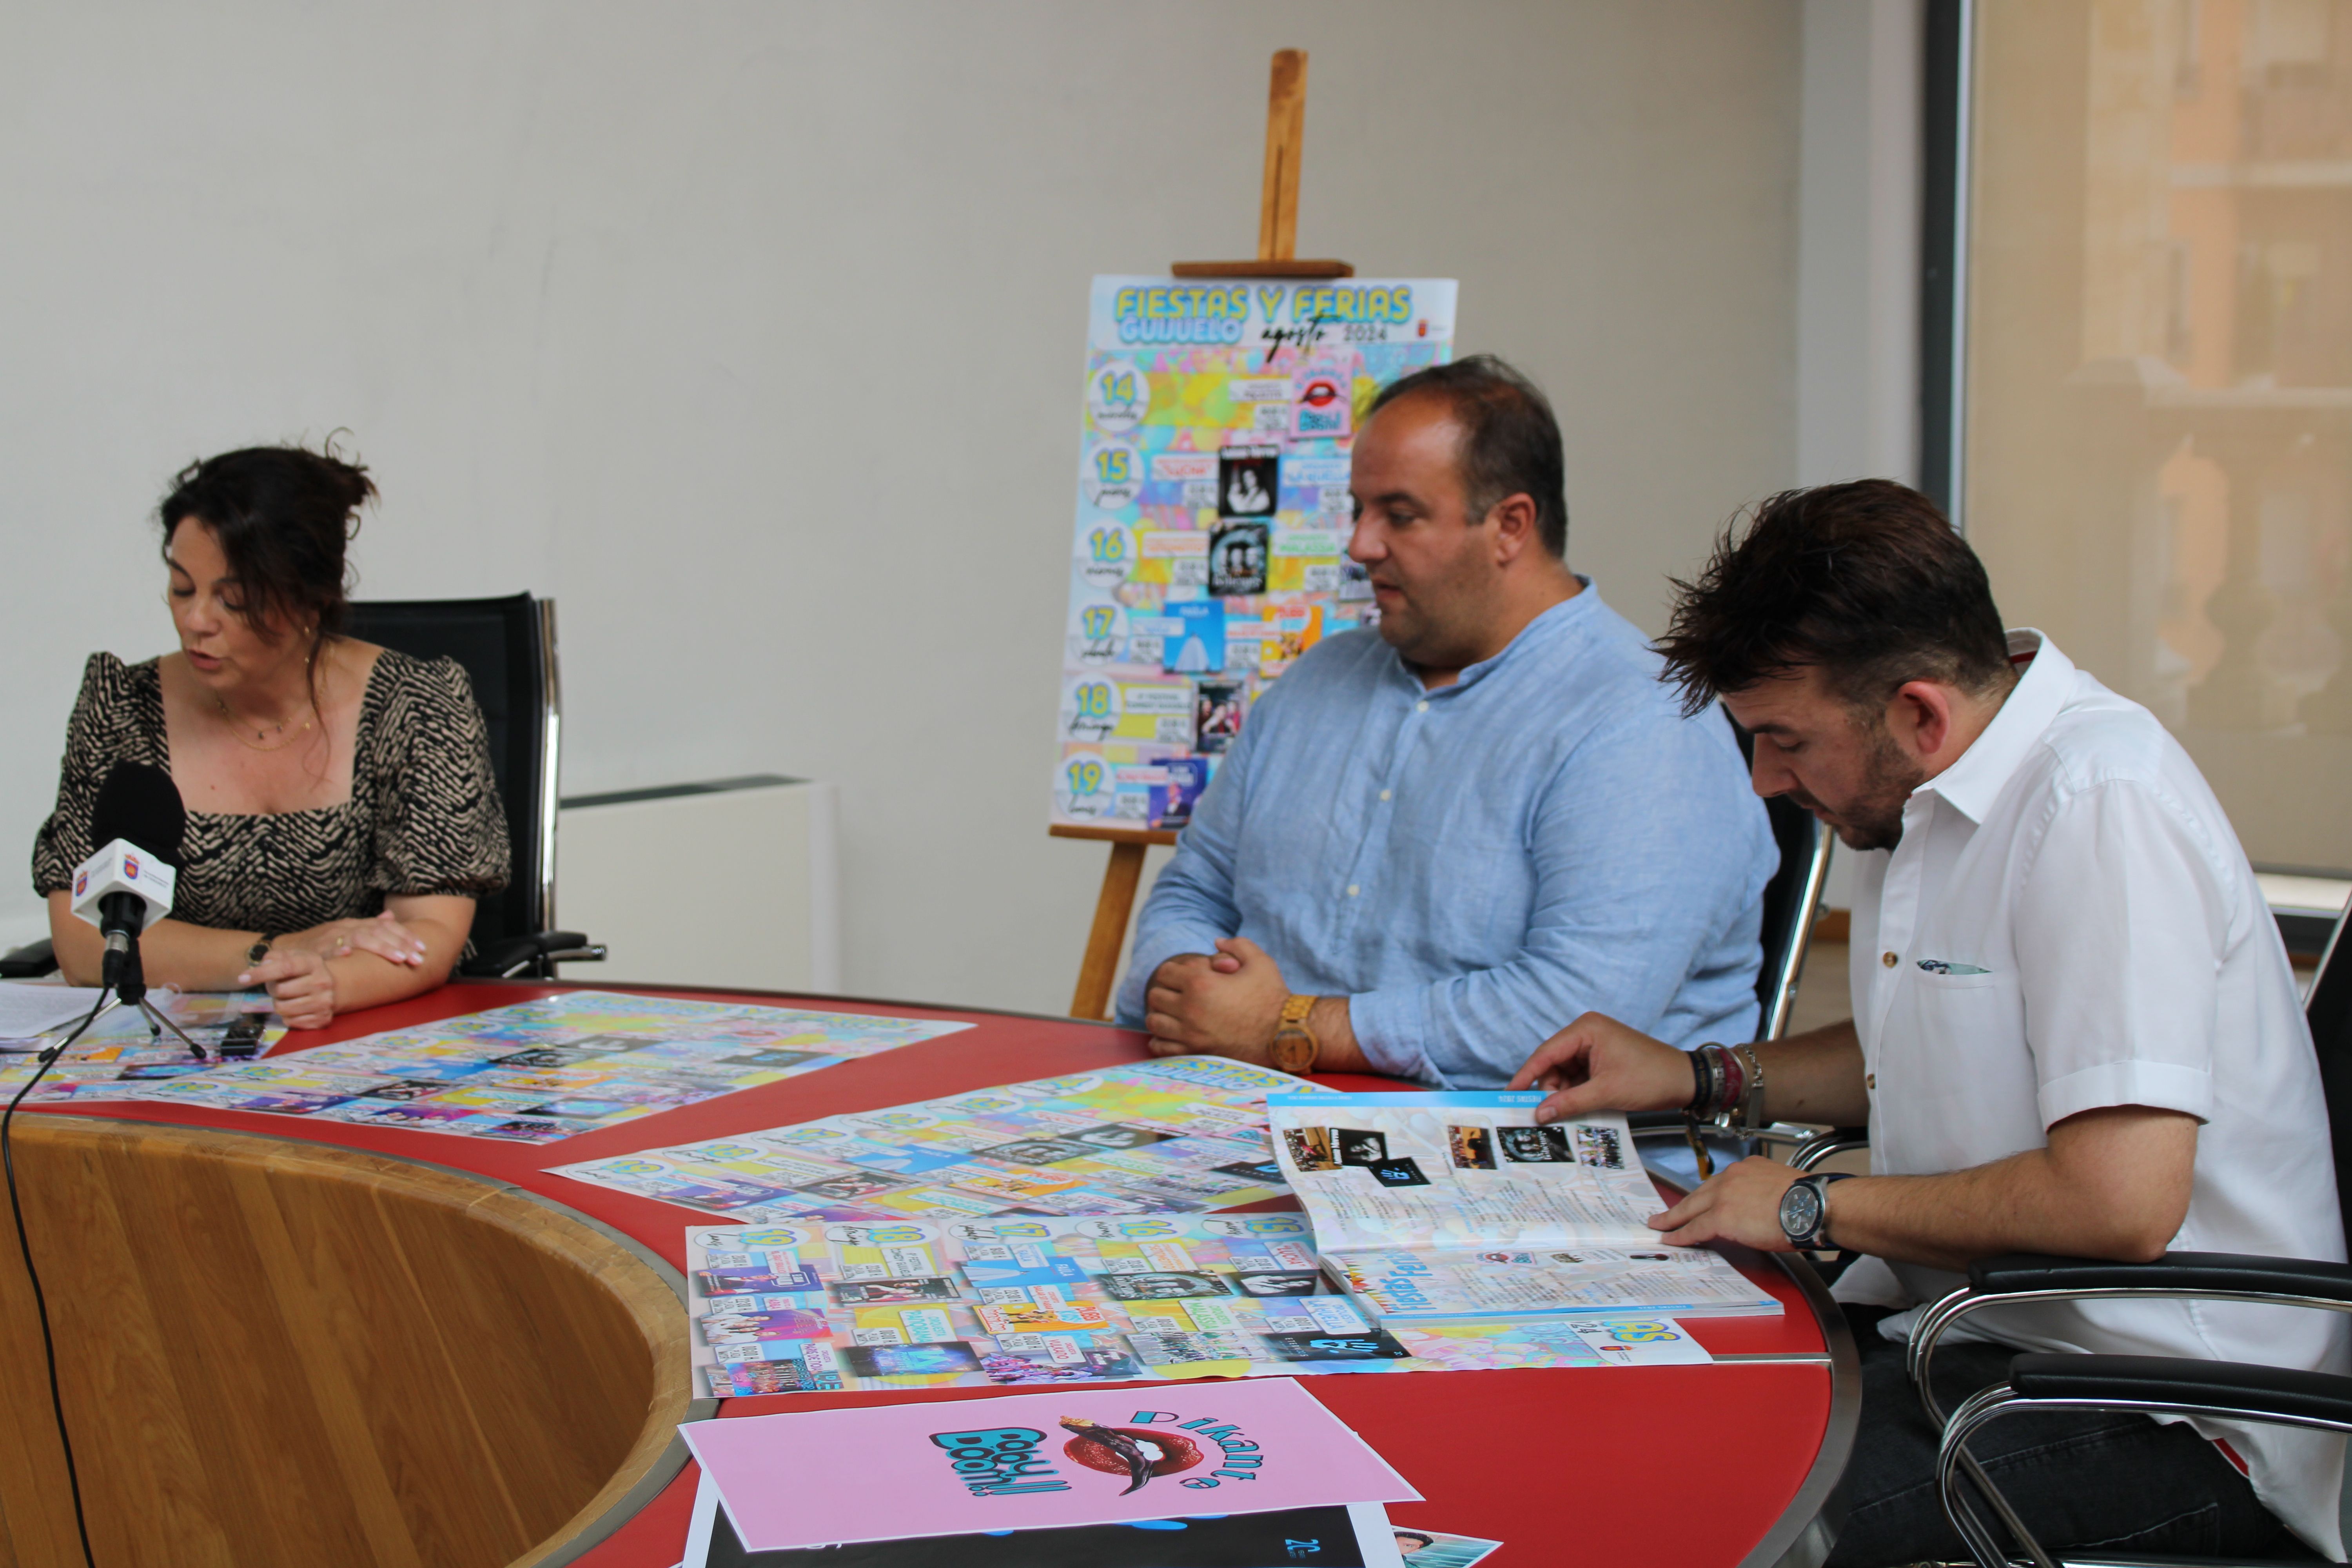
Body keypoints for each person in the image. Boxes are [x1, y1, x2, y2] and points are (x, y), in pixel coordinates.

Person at [1510, 479, 2345, 1563]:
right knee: (1623, 1420)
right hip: (1982, 1340)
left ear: (1918, 712)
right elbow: (1933, 1046)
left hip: (2166, 1408)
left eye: (1785, 740)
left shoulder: (2100, 810)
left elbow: (2120, 1202)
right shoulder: (1943, 796)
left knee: (1694, 1523)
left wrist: (1814, 1207)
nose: (1766, 778)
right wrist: (1697, 1075)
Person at [1118, 356, 1775, 1087]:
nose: (1361, 545)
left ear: (1510, 526)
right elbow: (1194, 890)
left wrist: (1287, 1028)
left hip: (1545, 1165)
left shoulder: (1643, 719)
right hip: (1248, 1116)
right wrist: (1188, 986)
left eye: (1399, 516)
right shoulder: (1317, 681)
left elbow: (1572, 1018)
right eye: (1358, 509)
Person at [33, 444, 510, 1030]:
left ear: (309, 598)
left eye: (233, 600)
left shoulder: (416, 706)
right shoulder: (122, 708)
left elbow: (427, 932)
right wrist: (278, 953)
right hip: (174, 1040)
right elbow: (84, 943)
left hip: (359, 1030)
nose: (196, 620)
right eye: (182, 589)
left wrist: (330, 983)